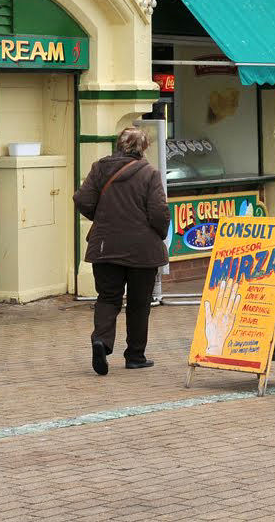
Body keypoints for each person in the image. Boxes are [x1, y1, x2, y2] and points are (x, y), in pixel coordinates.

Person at [74, 126, 169, 375]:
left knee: (107, 298)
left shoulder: (99, 168)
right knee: (139, 304)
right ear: (143, 148)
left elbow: (82, 200)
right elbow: (159, 212)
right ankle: (135, 356)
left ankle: (101, 342)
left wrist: (102, 218)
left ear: (118, 145)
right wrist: (159, 234)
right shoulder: (149, 174)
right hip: (142, 250)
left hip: (105, 246)